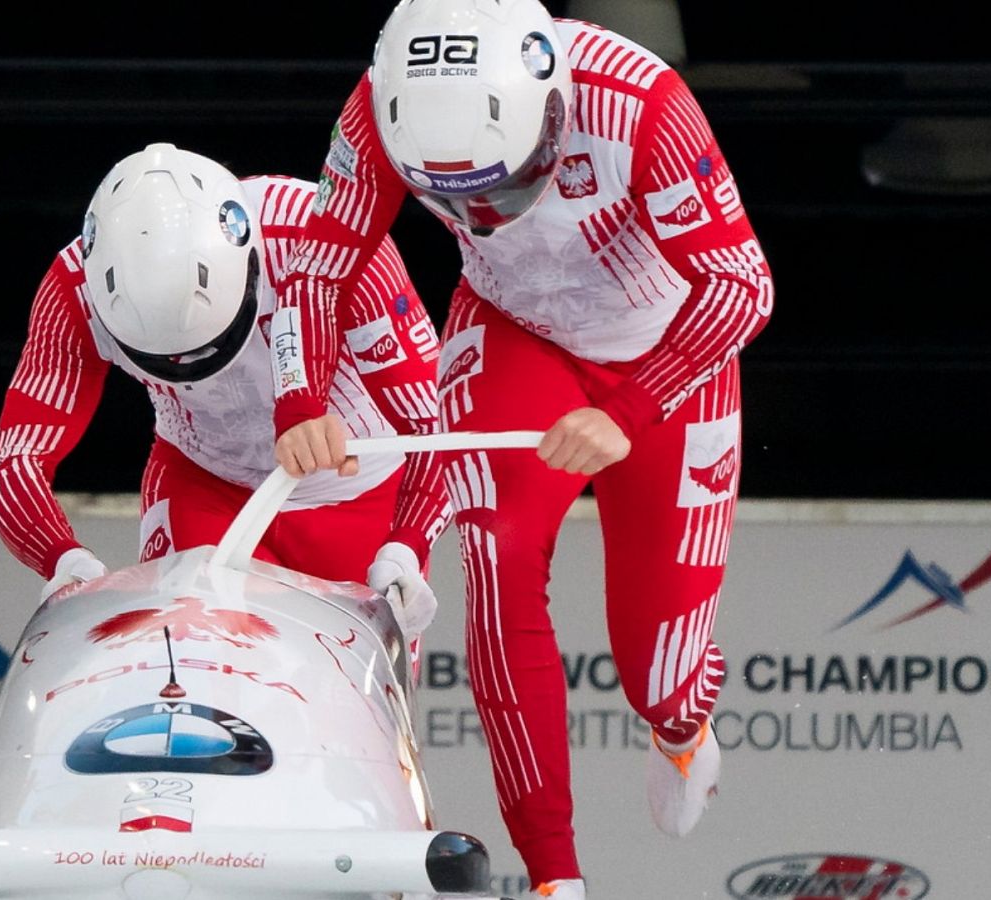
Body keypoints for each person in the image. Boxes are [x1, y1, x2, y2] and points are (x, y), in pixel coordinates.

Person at [268, 2, 774, 894]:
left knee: (659, 667)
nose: (485, 214)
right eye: (455, 199)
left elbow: (742, 287)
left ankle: (683, 725)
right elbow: (320, 260)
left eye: (501, 186)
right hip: (514, 329)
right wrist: (301, 396)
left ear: (548, 109)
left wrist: (631, 405)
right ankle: (553, 877)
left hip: (669, 358)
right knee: (495, 559)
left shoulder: (639, 102)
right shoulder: (378, 106)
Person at [0, 143, 448, 639]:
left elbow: (433, 425)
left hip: (361, 495)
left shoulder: (333, 236)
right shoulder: (73, 288)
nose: (190, 367)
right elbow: (14, 461)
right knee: (188, 666)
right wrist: (64, 560)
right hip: (206, 488)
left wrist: (406, 545)